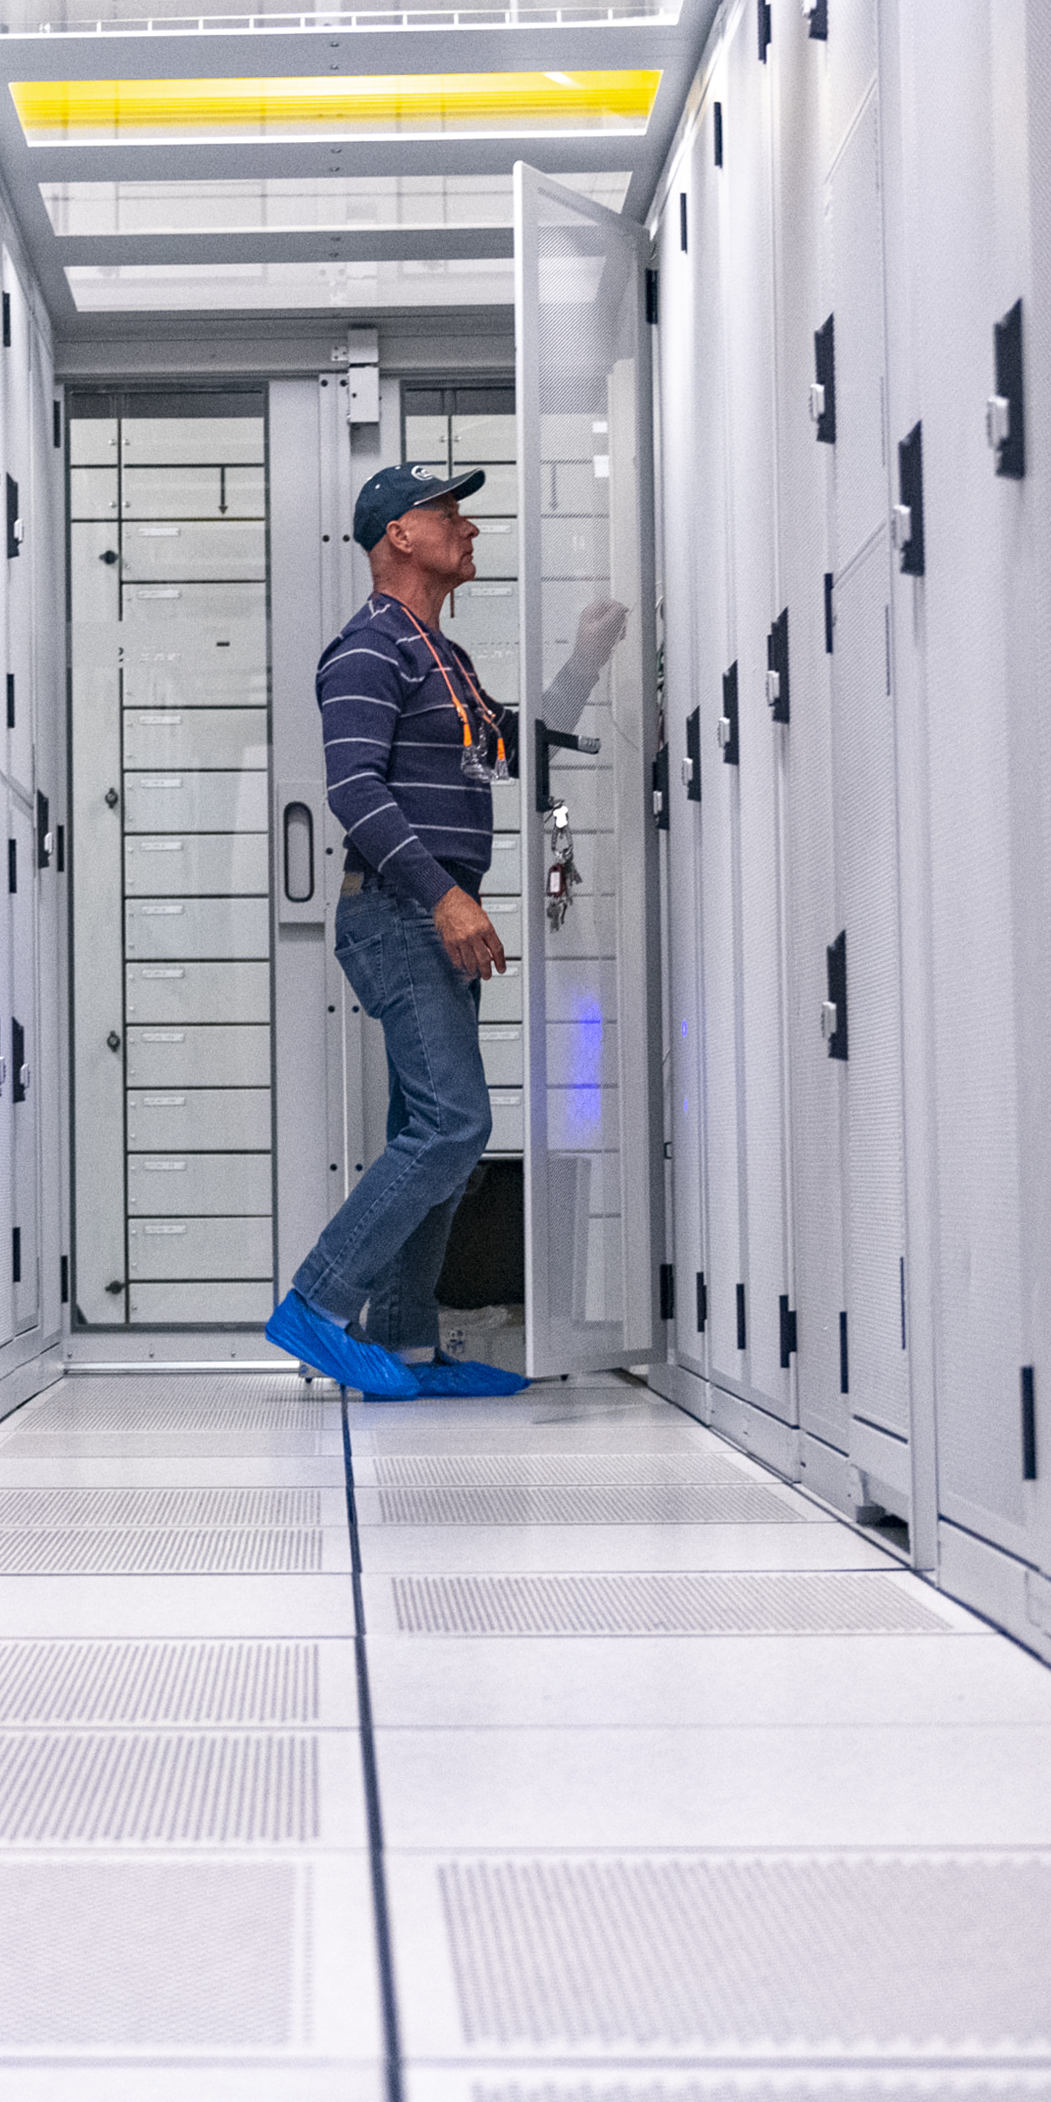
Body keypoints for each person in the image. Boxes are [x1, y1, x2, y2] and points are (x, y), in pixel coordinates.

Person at [266, 462, 628, 1400]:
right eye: (447, 513)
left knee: (426, 1124)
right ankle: (314, 1304)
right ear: (400, 537)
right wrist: (443, 897)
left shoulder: (443, 658)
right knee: (456, 1121)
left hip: (427, 910)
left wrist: (589, 655)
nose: (467, 527)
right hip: (398, 911)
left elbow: (513, 745)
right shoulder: (367, 651)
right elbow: (353, 788)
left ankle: (409, 1343)